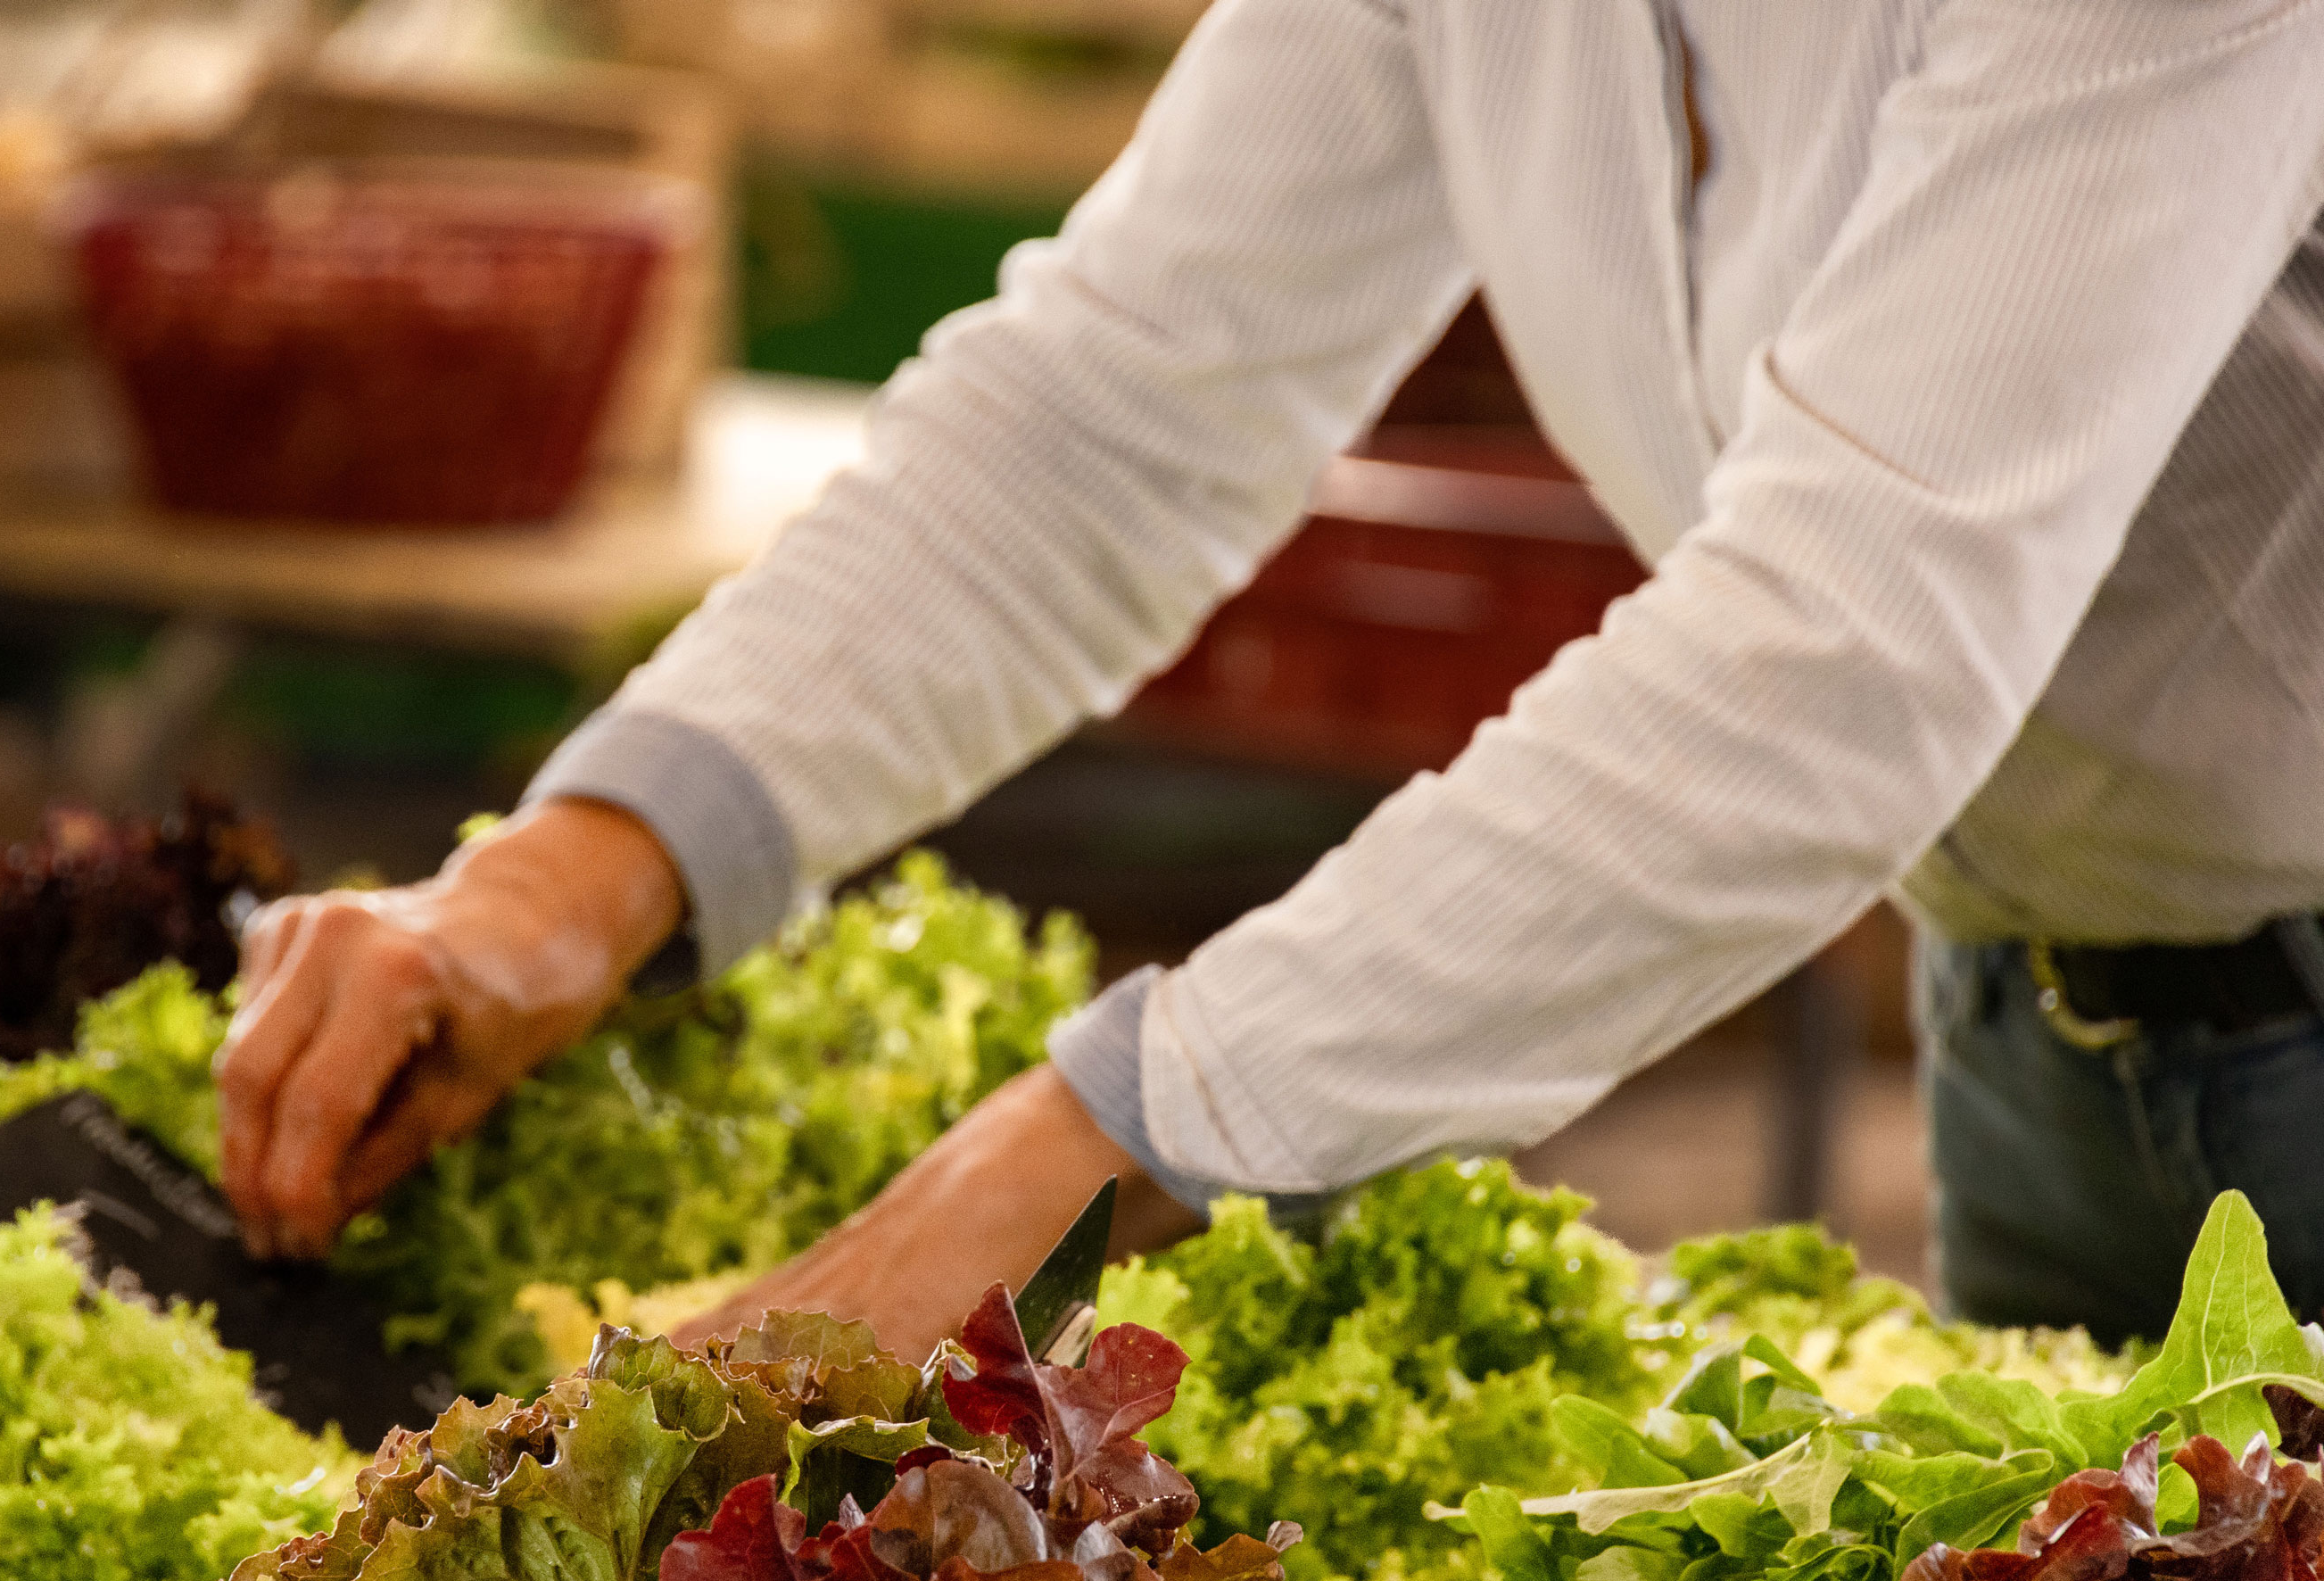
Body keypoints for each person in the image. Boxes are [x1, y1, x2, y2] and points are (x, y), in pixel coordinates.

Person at [216, 2, 2324, 1359]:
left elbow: (1843, 647)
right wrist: (565, 880)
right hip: (2034, 1030)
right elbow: (1121, 406)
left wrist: (1072, 1143)